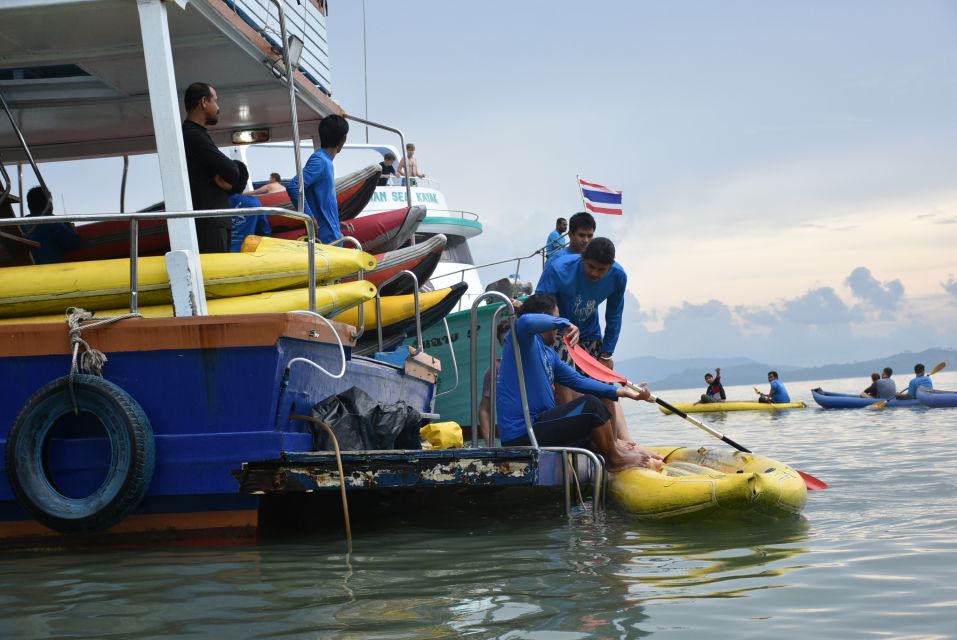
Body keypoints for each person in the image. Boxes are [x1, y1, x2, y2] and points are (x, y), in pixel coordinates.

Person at [496, 294, 663, 471]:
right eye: (555, 318)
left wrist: (621, 392)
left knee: (601, 396)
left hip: (539, 427)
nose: (557, 329)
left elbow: (578, 381)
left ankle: (618, 453)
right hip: (522, 433)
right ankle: (616, 460)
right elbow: (527, 322)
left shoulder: (550, 354)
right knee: (591, 405)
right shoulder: (523, 341)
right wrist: (564, 323)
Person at [182, 82, 241, 252]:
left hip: (214, 221)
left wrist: (234, 176)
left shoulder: (196, 134)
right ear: (204, 102)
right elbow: (232, 172)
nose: (218, 107)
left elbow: (231, 174)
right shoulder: (193, 135)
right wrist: (236, 173)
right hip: (210, 223)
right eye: (215, 100)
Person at [302, 115, 348, 244]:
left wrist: (336, 223)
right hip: (326, 240)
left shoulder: (326, 161)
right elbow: (294, 186)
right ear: (343, 138)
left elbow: (323, 201)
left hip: (333, 234)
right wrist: (310, 217)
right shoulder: (320, 160)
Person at [23, 186, 81, 264]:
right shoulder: (51, 221)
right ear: (49, 204)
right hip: (50, 270)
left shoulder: (21, 224)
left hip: (25, 271)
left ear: (29, 206)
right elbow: (74, 243)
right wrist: (71, 227)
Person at [478, 319, 510, 445]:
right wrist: (490, 445)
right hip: (514, 438)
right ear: (501, 344)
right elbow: (484, 410)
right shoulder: (496, 370)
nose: (510, 345)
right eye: (506, 342)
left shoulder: (534, 359)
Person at [228, 161, 272, 252]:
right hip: (246, 258)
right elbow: (265, 232)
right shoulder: (254, 203)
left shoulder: (214, 203)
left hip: (216, 258)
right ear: (245, 182)